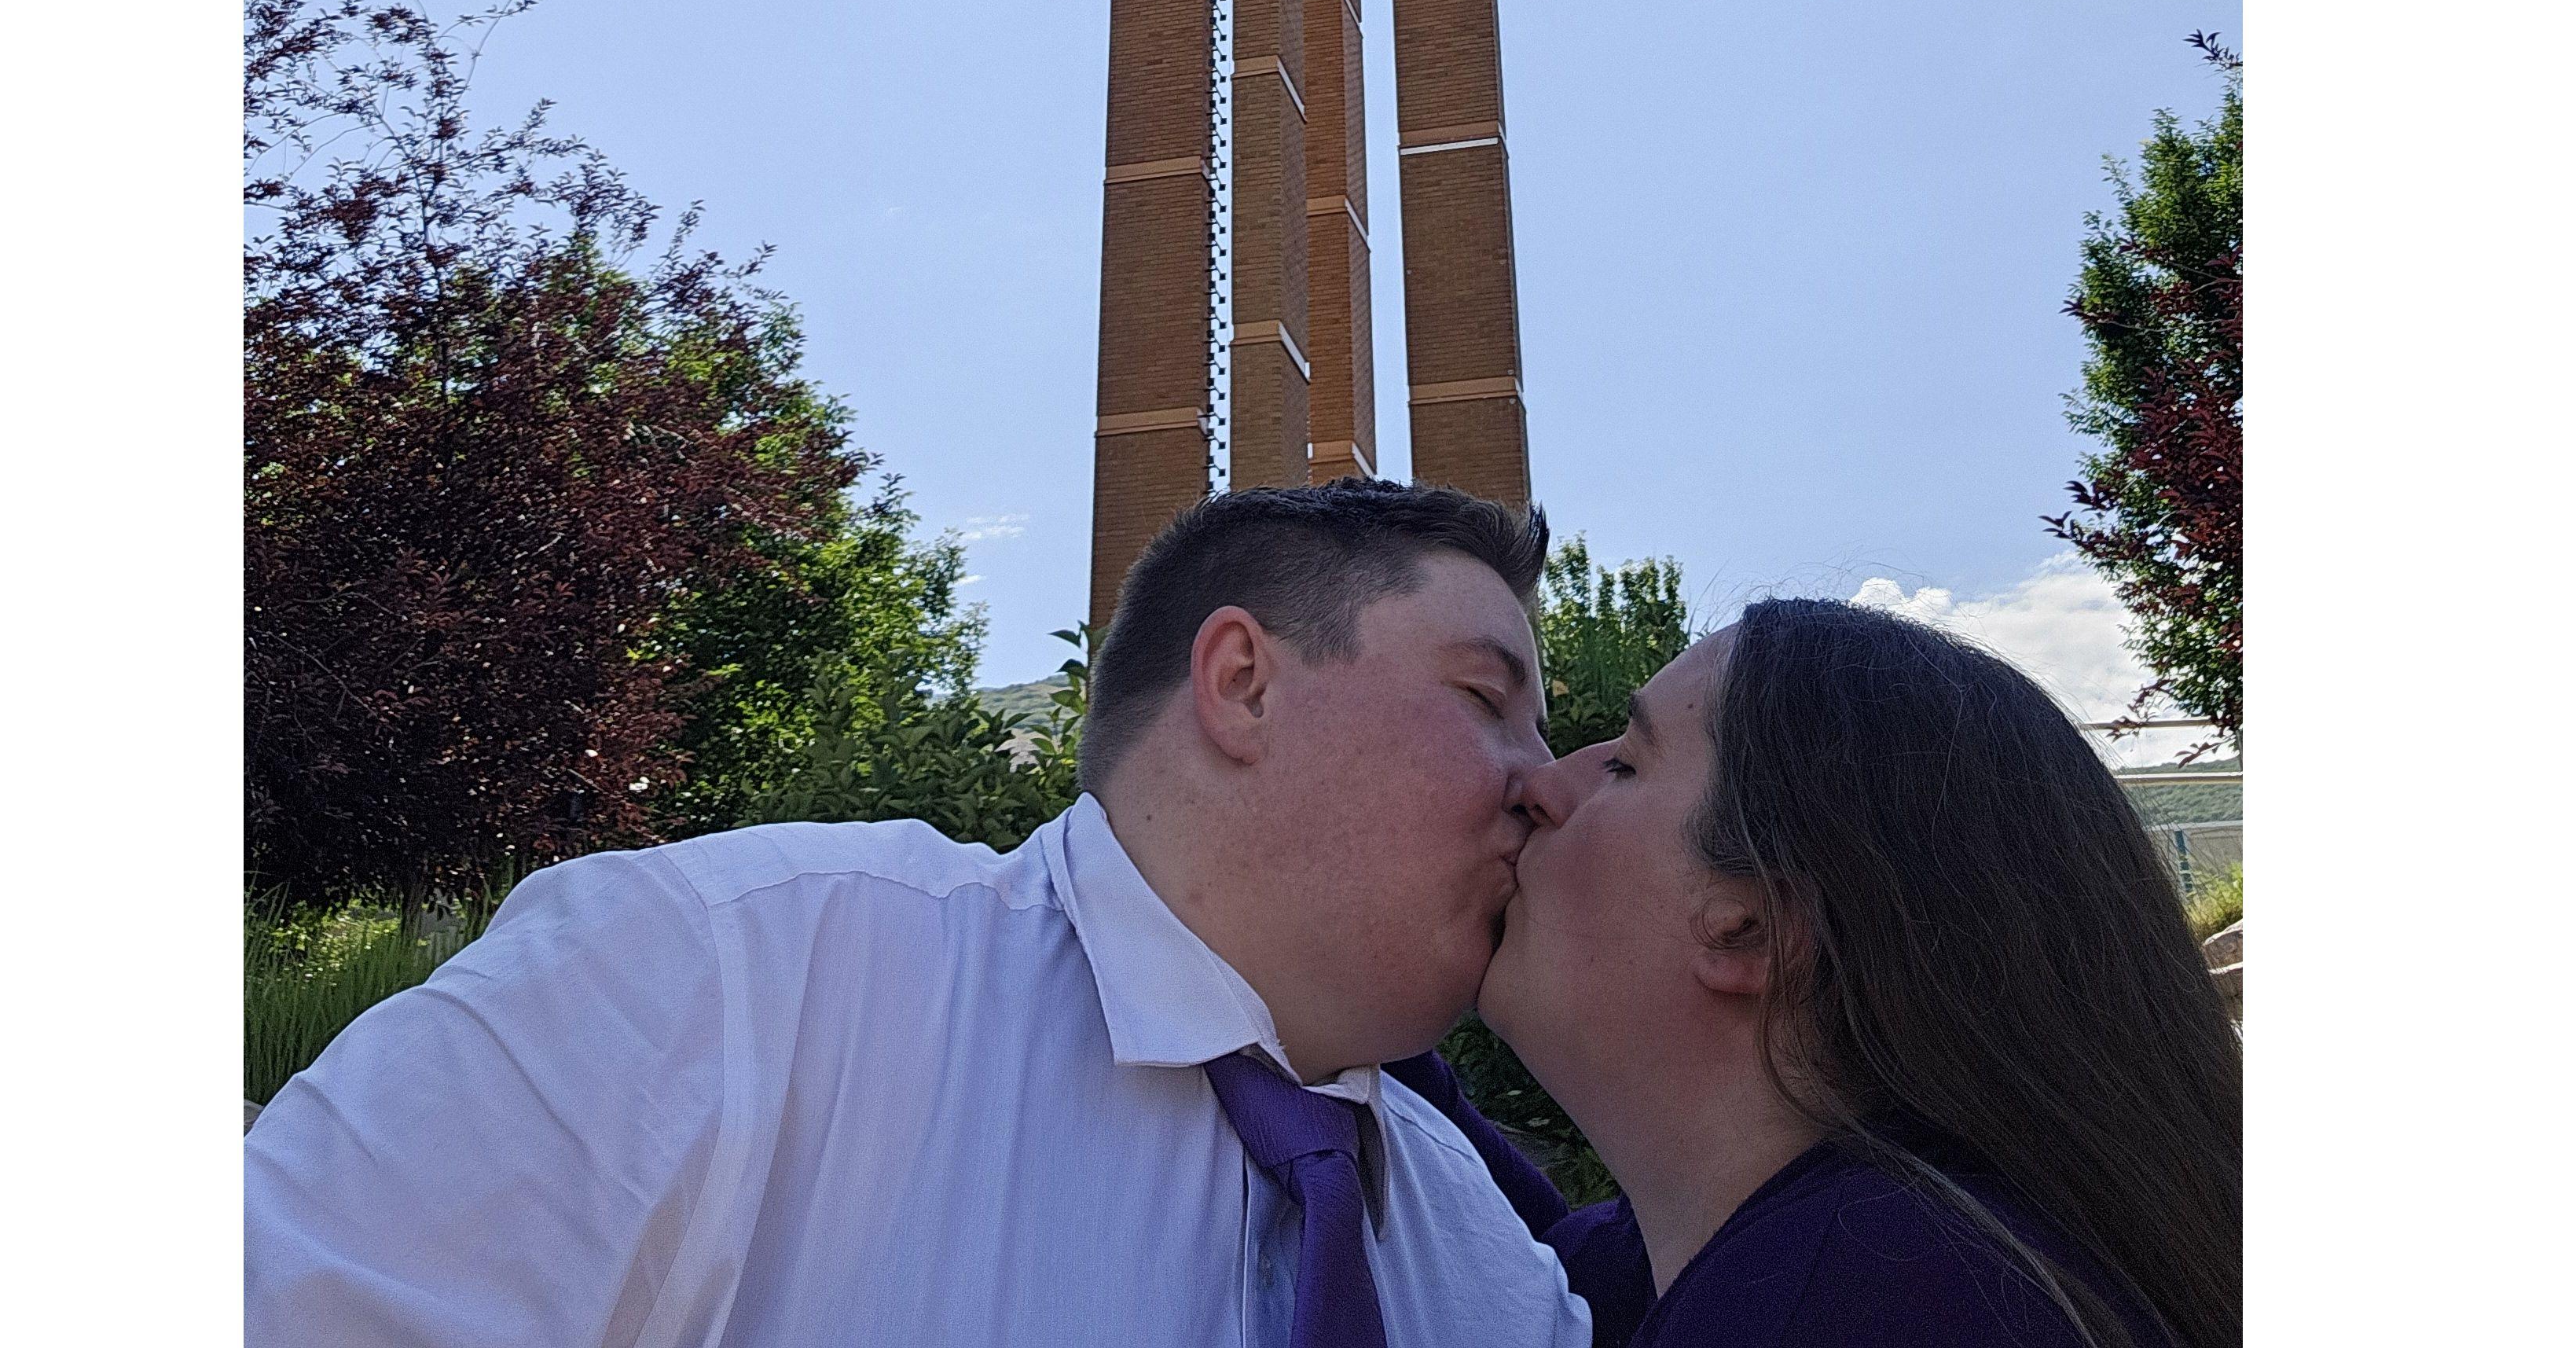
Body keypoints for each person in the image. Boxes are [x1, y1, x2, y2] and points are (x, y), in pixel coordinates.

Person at [246, 479, 1592, 1347]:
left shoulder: (1485, 1259)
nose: (1550, 787)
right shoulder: (721, 983)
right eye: (1487, 700)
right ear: (1240, 683)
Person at [1469, 600, 2242, 1348]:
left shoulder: (1883, 1301)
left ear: (1752, 926)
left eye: (1625, 763)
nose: (1540, 784)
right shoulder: (1666, 1264)